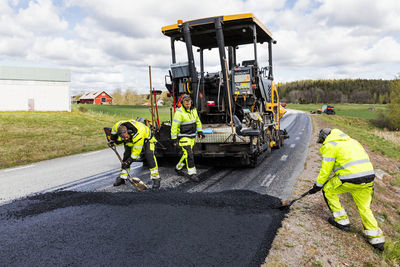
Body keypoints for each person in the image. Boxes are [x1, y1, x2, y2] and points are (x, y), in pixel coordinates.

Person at [309, 128, 385, 251]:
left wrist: (317, 185)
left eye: (322, 140)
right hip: (368, 177)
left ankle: (342, 221)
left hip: (349, 178)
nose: (322, 142)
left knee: (328, 189)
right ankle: (377, 239)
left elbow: (325, 170)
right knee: (365, 207)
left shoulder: (330, 145)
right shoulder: (353, 141)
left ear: (324, 137)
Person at [109, 119, 161, 189]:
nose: (125, 139)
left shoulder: (138, 134)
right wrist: (112, 140)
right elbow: (113, 133)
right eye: (123, 138)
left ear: (129, 132)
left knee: (149, 155)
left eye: (126, 137)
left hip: (147, 139)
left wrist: (128, 162)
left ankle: (156, 178)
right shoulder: (117, 126)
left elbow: (135, 154)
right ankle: (122, 177)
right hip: (132, 139)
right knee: (126, 155)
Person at [171, 94, 204, 181]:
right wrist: (174, 139)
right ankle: (192, 174)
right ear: (182, 103)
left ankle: (178, 168)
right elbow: (174, 127)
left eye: (189, 104)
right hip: (183, 137)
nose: (188, 106)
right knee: (189, 155)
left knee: (186, 154)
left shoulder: (194, 110)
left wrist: (200, 131)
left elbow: (197, 121)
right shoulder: (179, 113)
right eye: (186, 104)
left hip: (192, 136)